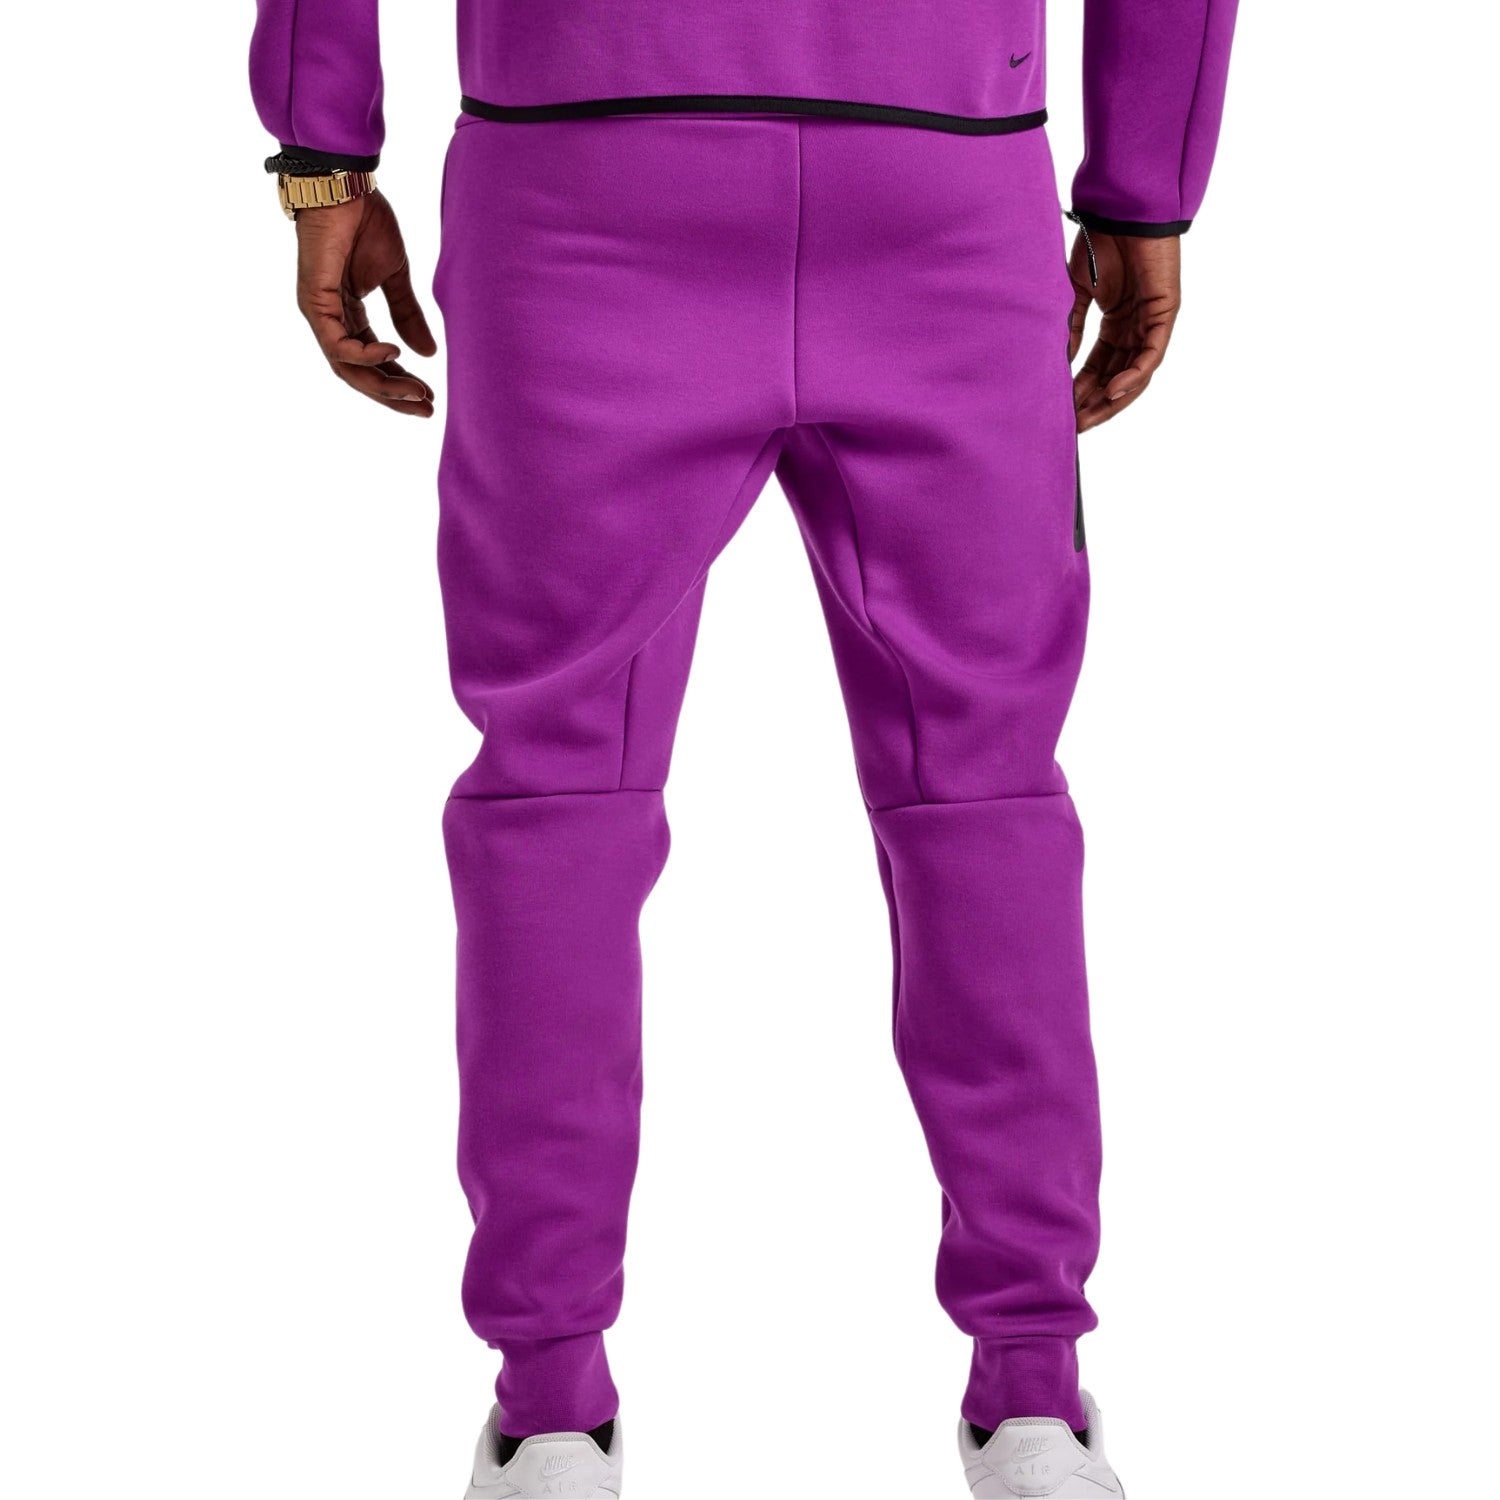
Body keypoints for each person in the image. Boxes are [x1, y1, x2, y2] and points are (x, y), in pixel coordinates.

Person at [250, 3, 1236, 1494]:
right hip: (944, 172)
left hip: (581, 164)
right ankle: (1031, 1399)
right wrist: (1146, 184)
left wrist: (323, 153)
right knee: (984, 788)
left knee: (556, 793)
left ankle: (551, 1417)